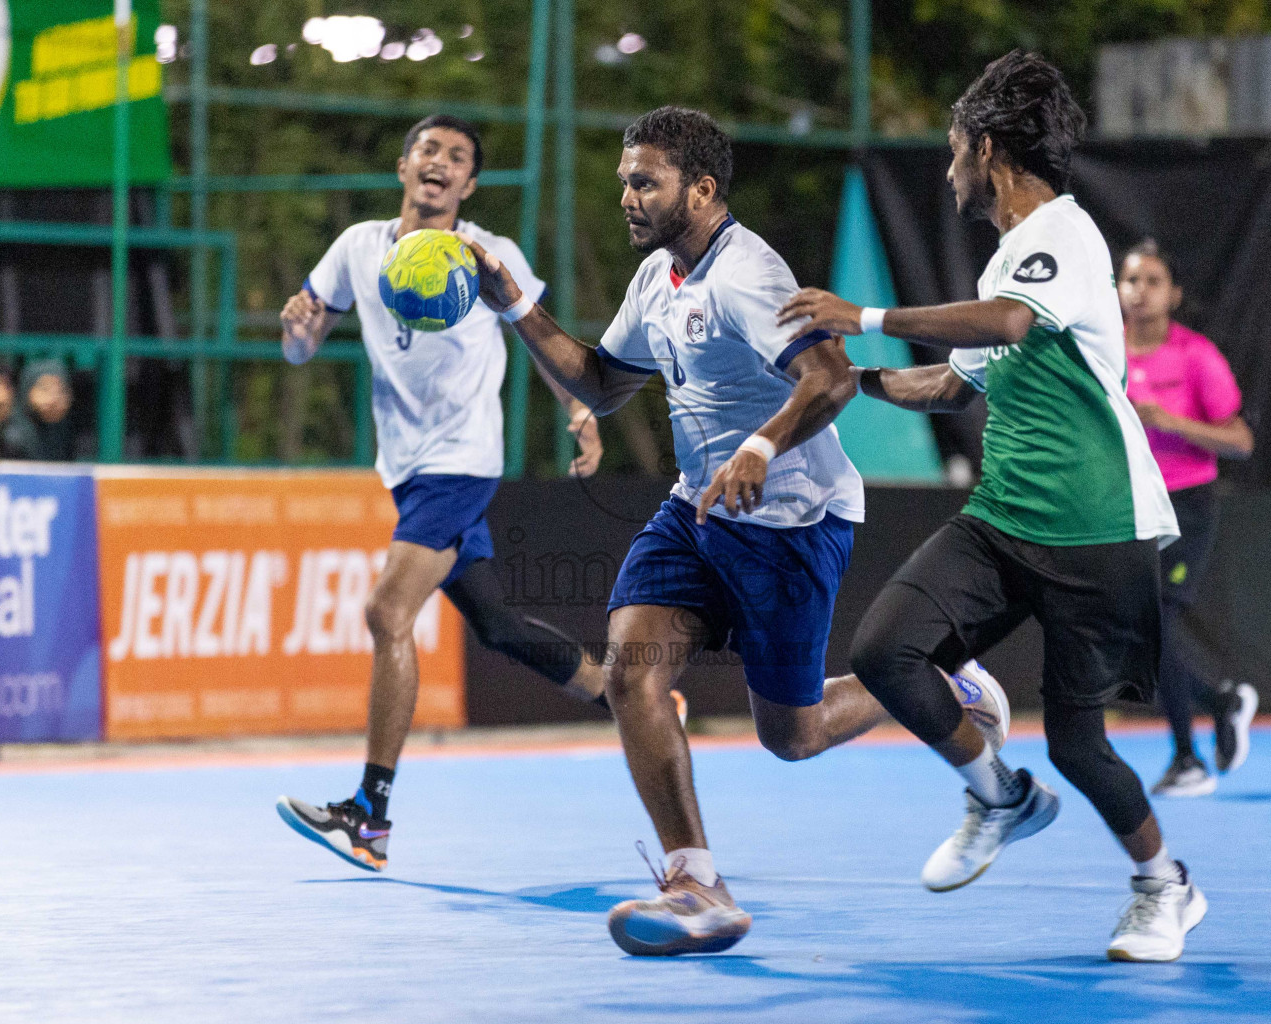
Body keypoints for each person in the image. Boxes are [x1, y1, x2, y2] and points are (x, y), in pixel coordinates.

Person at [461, 105, 960, 957]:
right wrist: (517, 309)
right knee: (629, 671)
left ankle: (940, 683)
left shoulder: (748, 275)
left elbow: (831, 380)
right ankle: (697, 883)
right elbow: (602, 381)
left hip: (793, 522)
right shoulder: (659, 277)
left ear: (700, 188)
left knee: (791, 735)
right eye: (624, 178)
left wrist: (763, 445)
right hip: (697, 509)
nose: (625, 194)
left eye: (643, 180)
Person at [778, 51, 1205, 962]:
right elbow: (956, 382)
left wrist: (866, 316)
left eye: (952, 151)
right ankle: (998, 797)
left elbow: (1008, 325)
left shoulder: (1064, 235)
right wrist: (863, 381)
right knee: (884, 651)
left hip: (1097, 529)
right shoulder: (1014, 257)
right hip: (1005, 519)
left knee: (1081, 749)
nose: (947, 171)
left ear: (986, 150)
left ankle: (1164, 887)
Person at [274, 115, 623, 873]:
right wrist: (298, 334)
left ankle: (369, 817)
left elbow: (539, 338)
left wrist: (579, 407)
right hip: (405, 467)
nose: (440, 162)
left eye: (457, 157)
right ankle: (631, 698)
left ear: (468, 186)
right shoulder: (358, 249)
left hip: (462, 461)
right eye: (428, 149)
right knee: (496, 624)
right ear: (404, 167)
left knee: (385, 610)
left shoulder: (487, 257)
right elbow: (300, 347)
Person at [1118, 239, 1258, 797]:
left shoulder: (1196, 355)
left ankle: (1187, 759)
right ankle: (1222, 700)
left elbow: (1241, 440)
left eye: (1153, 281)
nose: (1141, 291)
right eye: (1131, 280)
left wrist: (1170, 422)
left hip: (1186, 508)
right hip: (1125, 507)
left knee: (1157, 622)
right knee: (1132, 637)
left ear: (1173, 294)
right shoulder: (1104, 353)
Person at [9, 358, 77, 462]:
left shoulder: (68, 433)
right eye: (45, 389)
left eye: (61, 391)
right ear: (26, 390)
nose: (53, 399)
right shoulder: (10, 438)